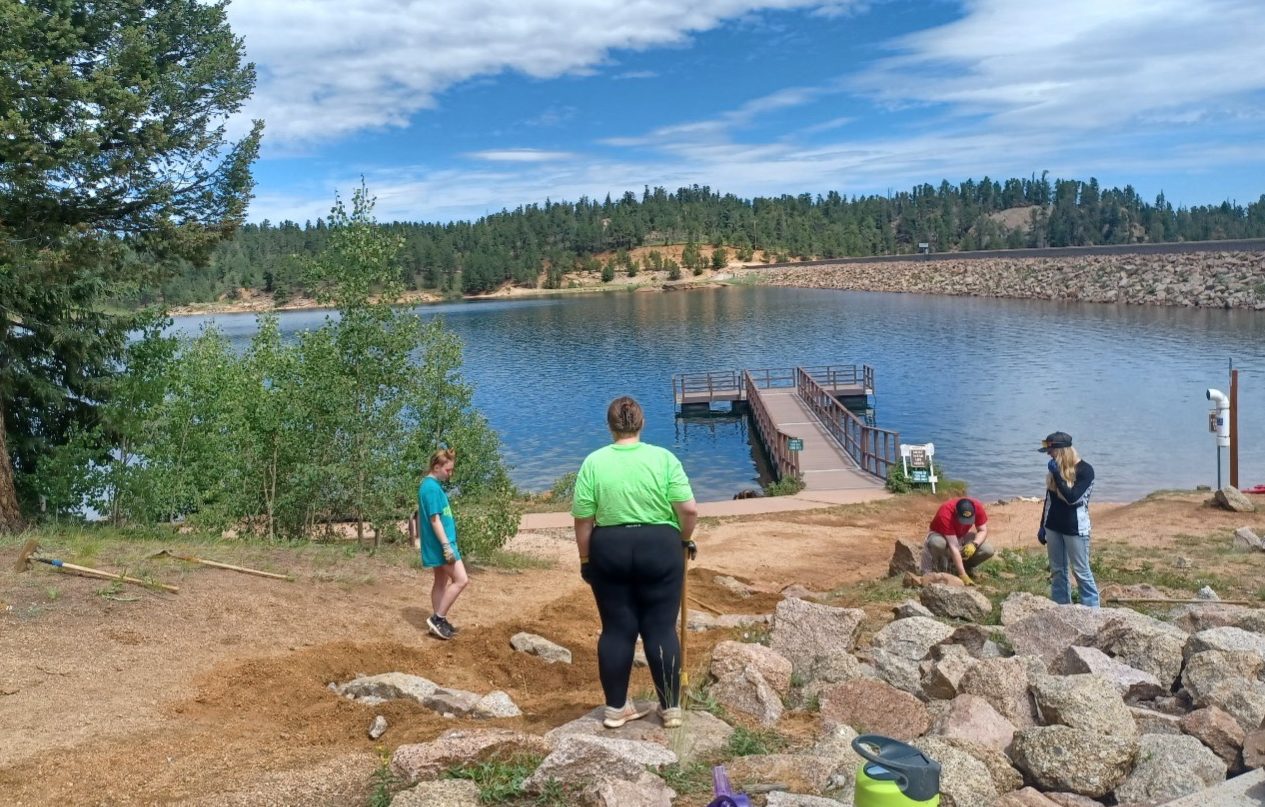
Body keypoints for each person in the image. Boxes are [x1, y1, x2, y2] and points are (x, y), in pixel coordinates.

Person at [572, 396, 698, 730]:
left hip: (609, 548)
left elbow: (583, 520)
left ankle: (615, 709)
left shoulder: (594, 463)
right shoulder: (663, 459)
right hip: (659, 546)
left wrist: (586, 559)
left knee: (616, 629)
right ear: (641, 423)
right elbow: (688, 510)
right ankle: (670, 708)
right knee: (660, 627)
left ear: (610, 425)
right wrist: (684, 540)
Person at [1038, 431, 1099, 607]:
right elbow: (1049, 500)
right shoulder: (1054, 470)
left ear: (1062, 450)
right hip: (1054, 526)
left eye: (1051, 451)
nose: (1048, 454)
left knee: (1081, 571)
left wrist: (1057, 475)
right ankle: (1061, 608)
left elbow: (1073, 498)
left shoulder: (1086, 470)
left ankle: (1092, 611)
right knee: (1058, 571)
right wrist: (1042, 526)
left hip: (1075, 528)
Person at [419, 448, 468, 639]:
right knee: (462, 580)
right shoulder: (430, 488)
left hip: (439, 544)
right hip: (442, 545)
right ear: (436, 467)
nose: (450, 474)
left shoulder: (431, 485)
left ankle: (439, 622)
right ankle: (438, 618)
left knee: (440, 582)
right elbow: (434, 520)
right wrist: (446, 546)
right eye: (448, 470)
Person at [922, 496, 993, 584]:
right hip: (940, 535)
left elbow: (983, 530)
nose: (966, 523)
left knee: (987, 550)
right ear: (956, 513)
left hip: (960, 536)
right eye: (963, 520)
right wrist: (963, 575)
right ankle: (938, 568)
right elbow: (954, 547)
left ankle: (962, 567)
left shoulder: (977, 507)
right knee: (938, 543)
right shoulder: (945, 513)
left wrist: (974, 544)